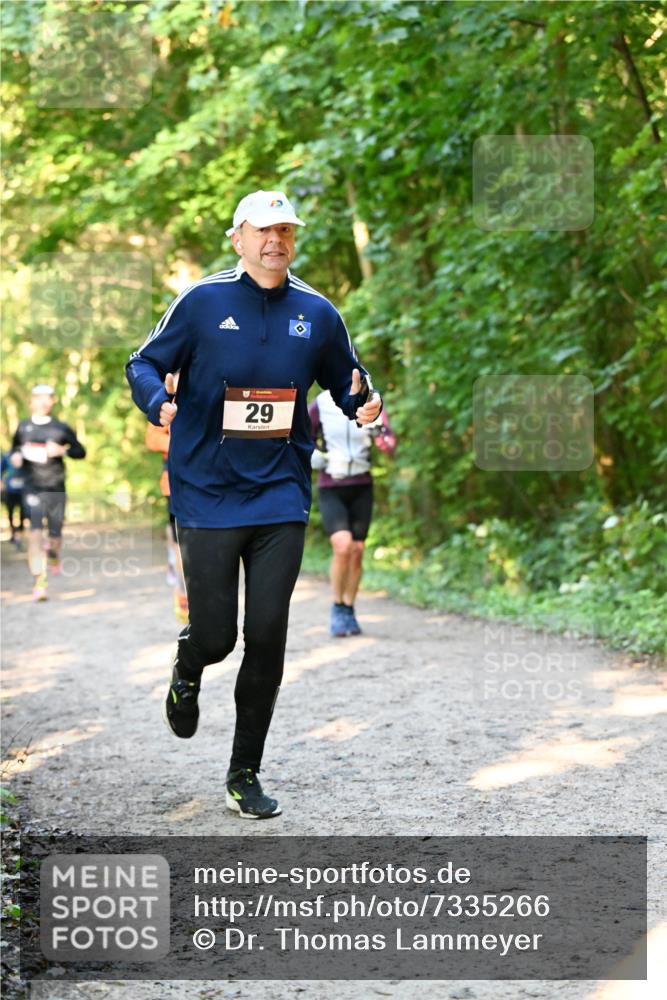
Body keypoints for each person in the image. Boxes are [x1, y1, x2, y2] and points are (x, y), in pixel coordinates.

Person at [126, 189, 381, 819]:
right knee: (217, 637)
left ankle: (245, 772)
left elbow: (347, 379)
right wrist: (157, 399)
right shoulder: (202, 301)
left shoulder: (318, 312)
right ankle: (189, 667)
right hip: (208, 491)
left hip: (279, 493)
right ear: (238, 238)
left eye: (286, 232)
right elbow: (143, 362)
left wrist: (364, 404)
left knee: (267, 634)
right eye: (264, 231)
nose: (276, 242)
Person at [309, 391, 397, 636]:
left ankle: (349, 608)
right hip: (331, 485)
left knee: (357, 551)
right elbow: (302, 437)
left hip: (361, 485)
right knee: (343, 546)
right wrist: (314, 456)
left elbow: (389, 445)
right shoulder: (321, 404)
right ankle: (337, 607)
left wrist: (380, 433)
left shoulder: (372, 402)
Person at [9, 384, 86, 600]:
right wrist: (15, 456)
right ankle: (39, 582)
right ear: (32, 401)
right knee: (34, 533)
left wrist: (63, 450)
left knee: (55, 536)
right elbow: (14, 449)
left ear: (53, 401)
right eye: (40, 398)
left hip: (55, 487)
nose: (44, 402)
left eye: (48, 398)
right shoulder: (23, 427)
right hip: (31, 486)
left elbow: (81, 451)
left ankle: (53, 553)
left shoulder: (60, 428)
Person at [145, 376, 189, 624]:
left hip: (209, 481)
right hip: (173, 484)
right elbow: (152, 438)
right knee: (180, 543)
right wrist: (186, 441)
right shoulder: (166, 399)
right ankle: (183, 595)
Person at [1, 451, 27, 549]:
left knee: (23, 513)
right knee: (10, 512)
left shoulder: (26, 454)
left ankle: (19, 533)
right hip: (10, 490)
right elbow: (1, 469)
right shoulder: (7, 456)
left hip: (23, 490)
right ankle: (13, 532)